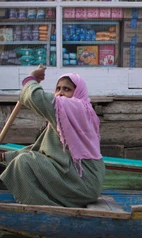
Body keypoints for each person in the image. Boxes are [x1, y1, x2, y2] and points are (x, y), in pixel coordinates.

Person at [0, 66, 105, 207]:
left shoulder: (77, 107)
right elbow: (41, 150)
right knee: (24, 159)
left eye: (67, 89)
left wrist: (30, 79)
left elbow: (36, 98)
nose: (60, 93)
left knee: (23, 162)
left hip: (83, 183)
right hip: (80, 181)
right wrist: (4, 157)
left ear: (78, 92)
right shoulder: (68, 117)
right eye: (58, 89)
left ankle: (39, 207)